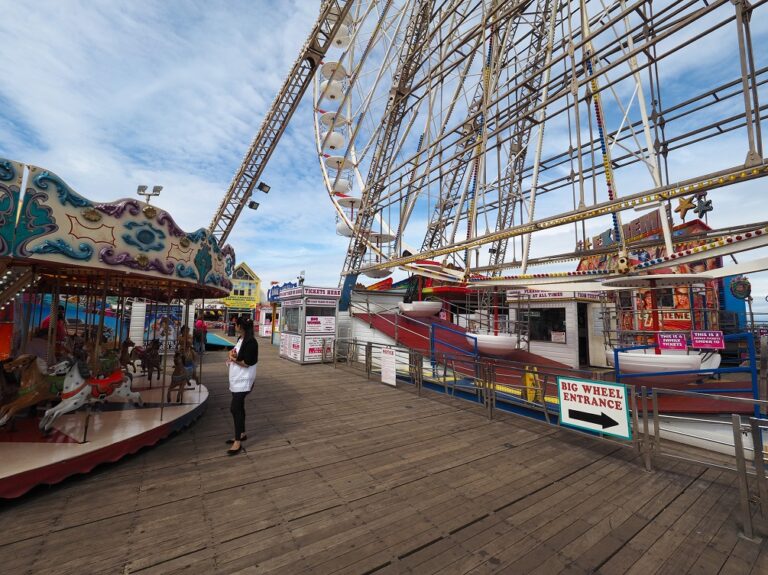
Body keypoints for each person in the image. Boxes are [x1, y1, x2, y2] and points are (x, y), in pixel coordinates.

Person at [225, 316, 258, 455]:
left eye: (236, 324)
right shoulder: (241, 339)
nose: (234, 326)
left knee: (235, 408)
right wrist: (232, 354)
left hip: (244, 380)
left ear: (240, 326)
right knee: (239, 407)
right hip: (236, 378)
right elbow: (237, 353)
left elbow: (247, 363)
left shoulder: (251, 342)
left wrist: (234, 359)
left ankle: (237, 441)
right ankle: (242, 433)